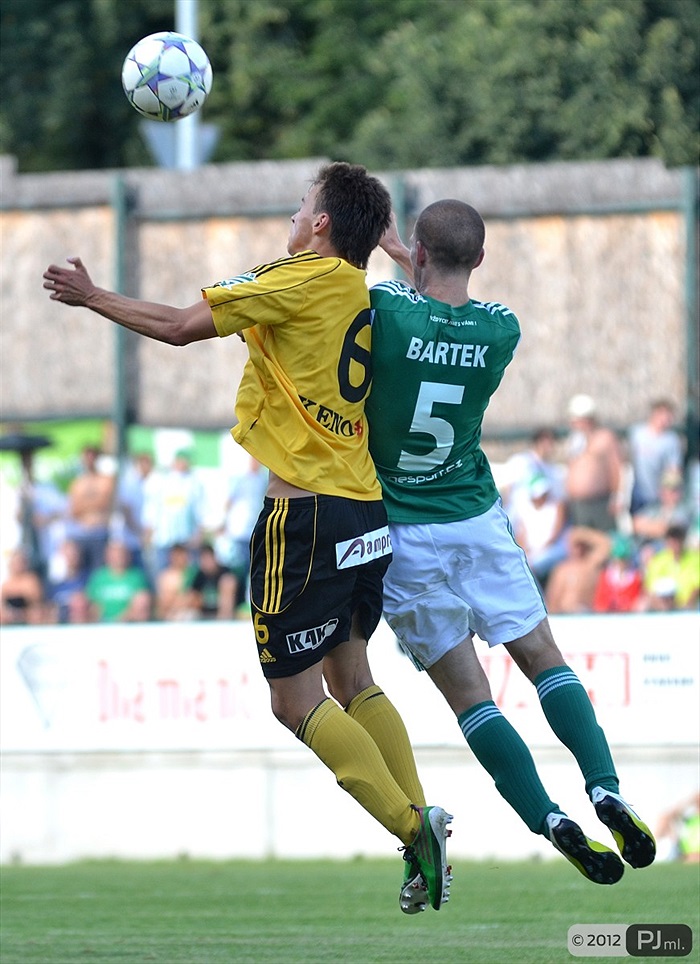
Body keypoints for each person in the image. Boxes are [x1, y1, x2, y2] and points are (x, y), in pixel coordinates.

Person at [43, 162, 452, 913]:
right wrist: (393, 248)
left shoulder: (298, 278)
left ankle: (412, 826)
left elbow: (176, 328)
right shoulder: (371, 293)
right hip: (365, 512)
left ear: (322, 224)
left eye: (304, 204)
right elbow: (437, 296)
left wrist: (92, 295)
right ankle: (421, 833)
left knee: (293, 702)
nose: (295, 215)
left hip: (303, 517)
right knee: (354, 679)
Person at [367, 200, 655, 908]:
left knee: (472, 698)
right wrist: (417, 256)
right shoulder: (501, 330)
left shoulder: (386, 312)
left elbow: (407, 299)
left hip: (403, 534)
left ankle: (548, 818)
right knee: (544, 660)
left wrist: (398, 252)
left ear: (419, 252)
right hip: (474, 519)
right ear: (483, 258)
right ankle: (605, 789)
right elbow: (444, 293)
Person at [565, 394, 624, 532]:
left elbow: (617, 468)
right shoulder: (575, 441)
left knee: (604, 541)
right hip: (578, 505)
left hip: (600, 503)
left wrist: (617, 497)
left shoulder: (605, 437)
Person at [142, 450, 204, 578]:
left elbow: (199, 511)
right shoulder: (161, 481)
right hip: (164, 538)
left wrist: (198, 534)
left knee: (186, 577)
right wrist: (148, 533)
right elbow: (152, 508)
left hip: (185, 539)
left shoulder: (194, 483)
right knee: (162, 576)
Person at [510, 473, 569, 591]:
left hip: (553, 548)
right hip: (533, 552)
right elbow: (522, 536)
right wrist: (527, 552)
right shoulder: (524, 510)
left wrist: (539, 551)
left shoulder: (557, 506)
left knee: (532, 567)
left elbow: (555, 533)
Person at [66, 445, 115, 577]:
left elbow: (105, 503)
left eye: (92, 456)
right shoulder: (77, 483)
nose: (89, 460)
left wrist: (86, 502)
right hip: (82, 533)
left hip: (100, 533)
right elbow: (74, 509)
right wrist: (93, 502)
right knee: (81, 574)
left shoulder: (106, 480)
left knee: (99, 572)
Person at [628, 399, 684, 514]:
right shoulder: (637, 433)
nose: (665, 419)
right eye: (662, 415)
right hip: (635, 492)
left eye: (669, 416)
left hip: (657, 495)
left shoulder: (671, 440)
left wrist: (668, 492)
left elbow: (673, 469)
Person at [545, 526, 613, 614]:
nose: (578, 549)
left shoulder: (591, 564)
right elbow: (552, 598)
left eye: (582, 545)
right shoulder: (561, 569)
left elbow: (606, 544)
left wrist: (582, 534)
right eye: (576, 546)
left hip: (586, 615)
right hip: (563, 615)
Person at [85, 539, 152, 623]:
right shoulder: (99, 577)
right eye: (115, 554)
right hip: (101, 621)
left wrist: (120, 619)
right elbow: (92, 602)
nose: (118, 557)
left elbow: (141, 601)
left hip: (128, 622)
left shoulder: (136, 577)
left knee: (143, 600)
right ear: (107, 556)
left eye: (121, 554)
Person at [643, 524, 700, 611]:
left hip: (690, 607)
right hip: (663, 607)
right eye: (672, 541)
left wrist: (687, 605)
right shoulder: (659, 560)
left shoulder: (695, 559)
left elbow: (697, 586)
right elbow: (650, 589)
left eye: (677, 540)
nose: (675, 544)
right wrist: (663, 606)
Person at [592, 534, 645, 613]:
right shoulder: (605, 576)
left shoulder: (636, 578)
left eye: (624, 559)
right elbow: (599, 603)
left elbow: (637, 601)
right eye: (619, 559)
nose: (621, 563)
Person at [189, 543, 237, 620]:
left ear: (214, 558)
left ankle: (223, 621)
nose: (206, 562)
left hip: (226, 613)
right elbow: (193, 598)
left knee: (227, 582)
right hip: (204, 613)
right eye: (203, 559)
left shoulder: (225, 572)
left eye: (208, 558)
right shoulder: (199, 575)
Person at [0, 547, 44, 625]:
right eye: (15, 562)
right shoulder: (6, 584)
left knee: (36, 614)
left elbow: (36, 603)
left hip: (28, 615)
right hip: (10, 616)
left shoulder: (31, 581)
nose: (18, 565)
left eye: (20, 562)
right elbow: (3, 605)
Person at [155, 543, 198, 621]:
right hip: (168, 615)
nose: (179, 558)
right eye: (176, 555)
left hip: (187, 613)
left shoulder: (194, 574)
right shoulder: (165, 576)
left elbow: (195, 598)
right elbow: (163, 601)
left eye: (181, 555)